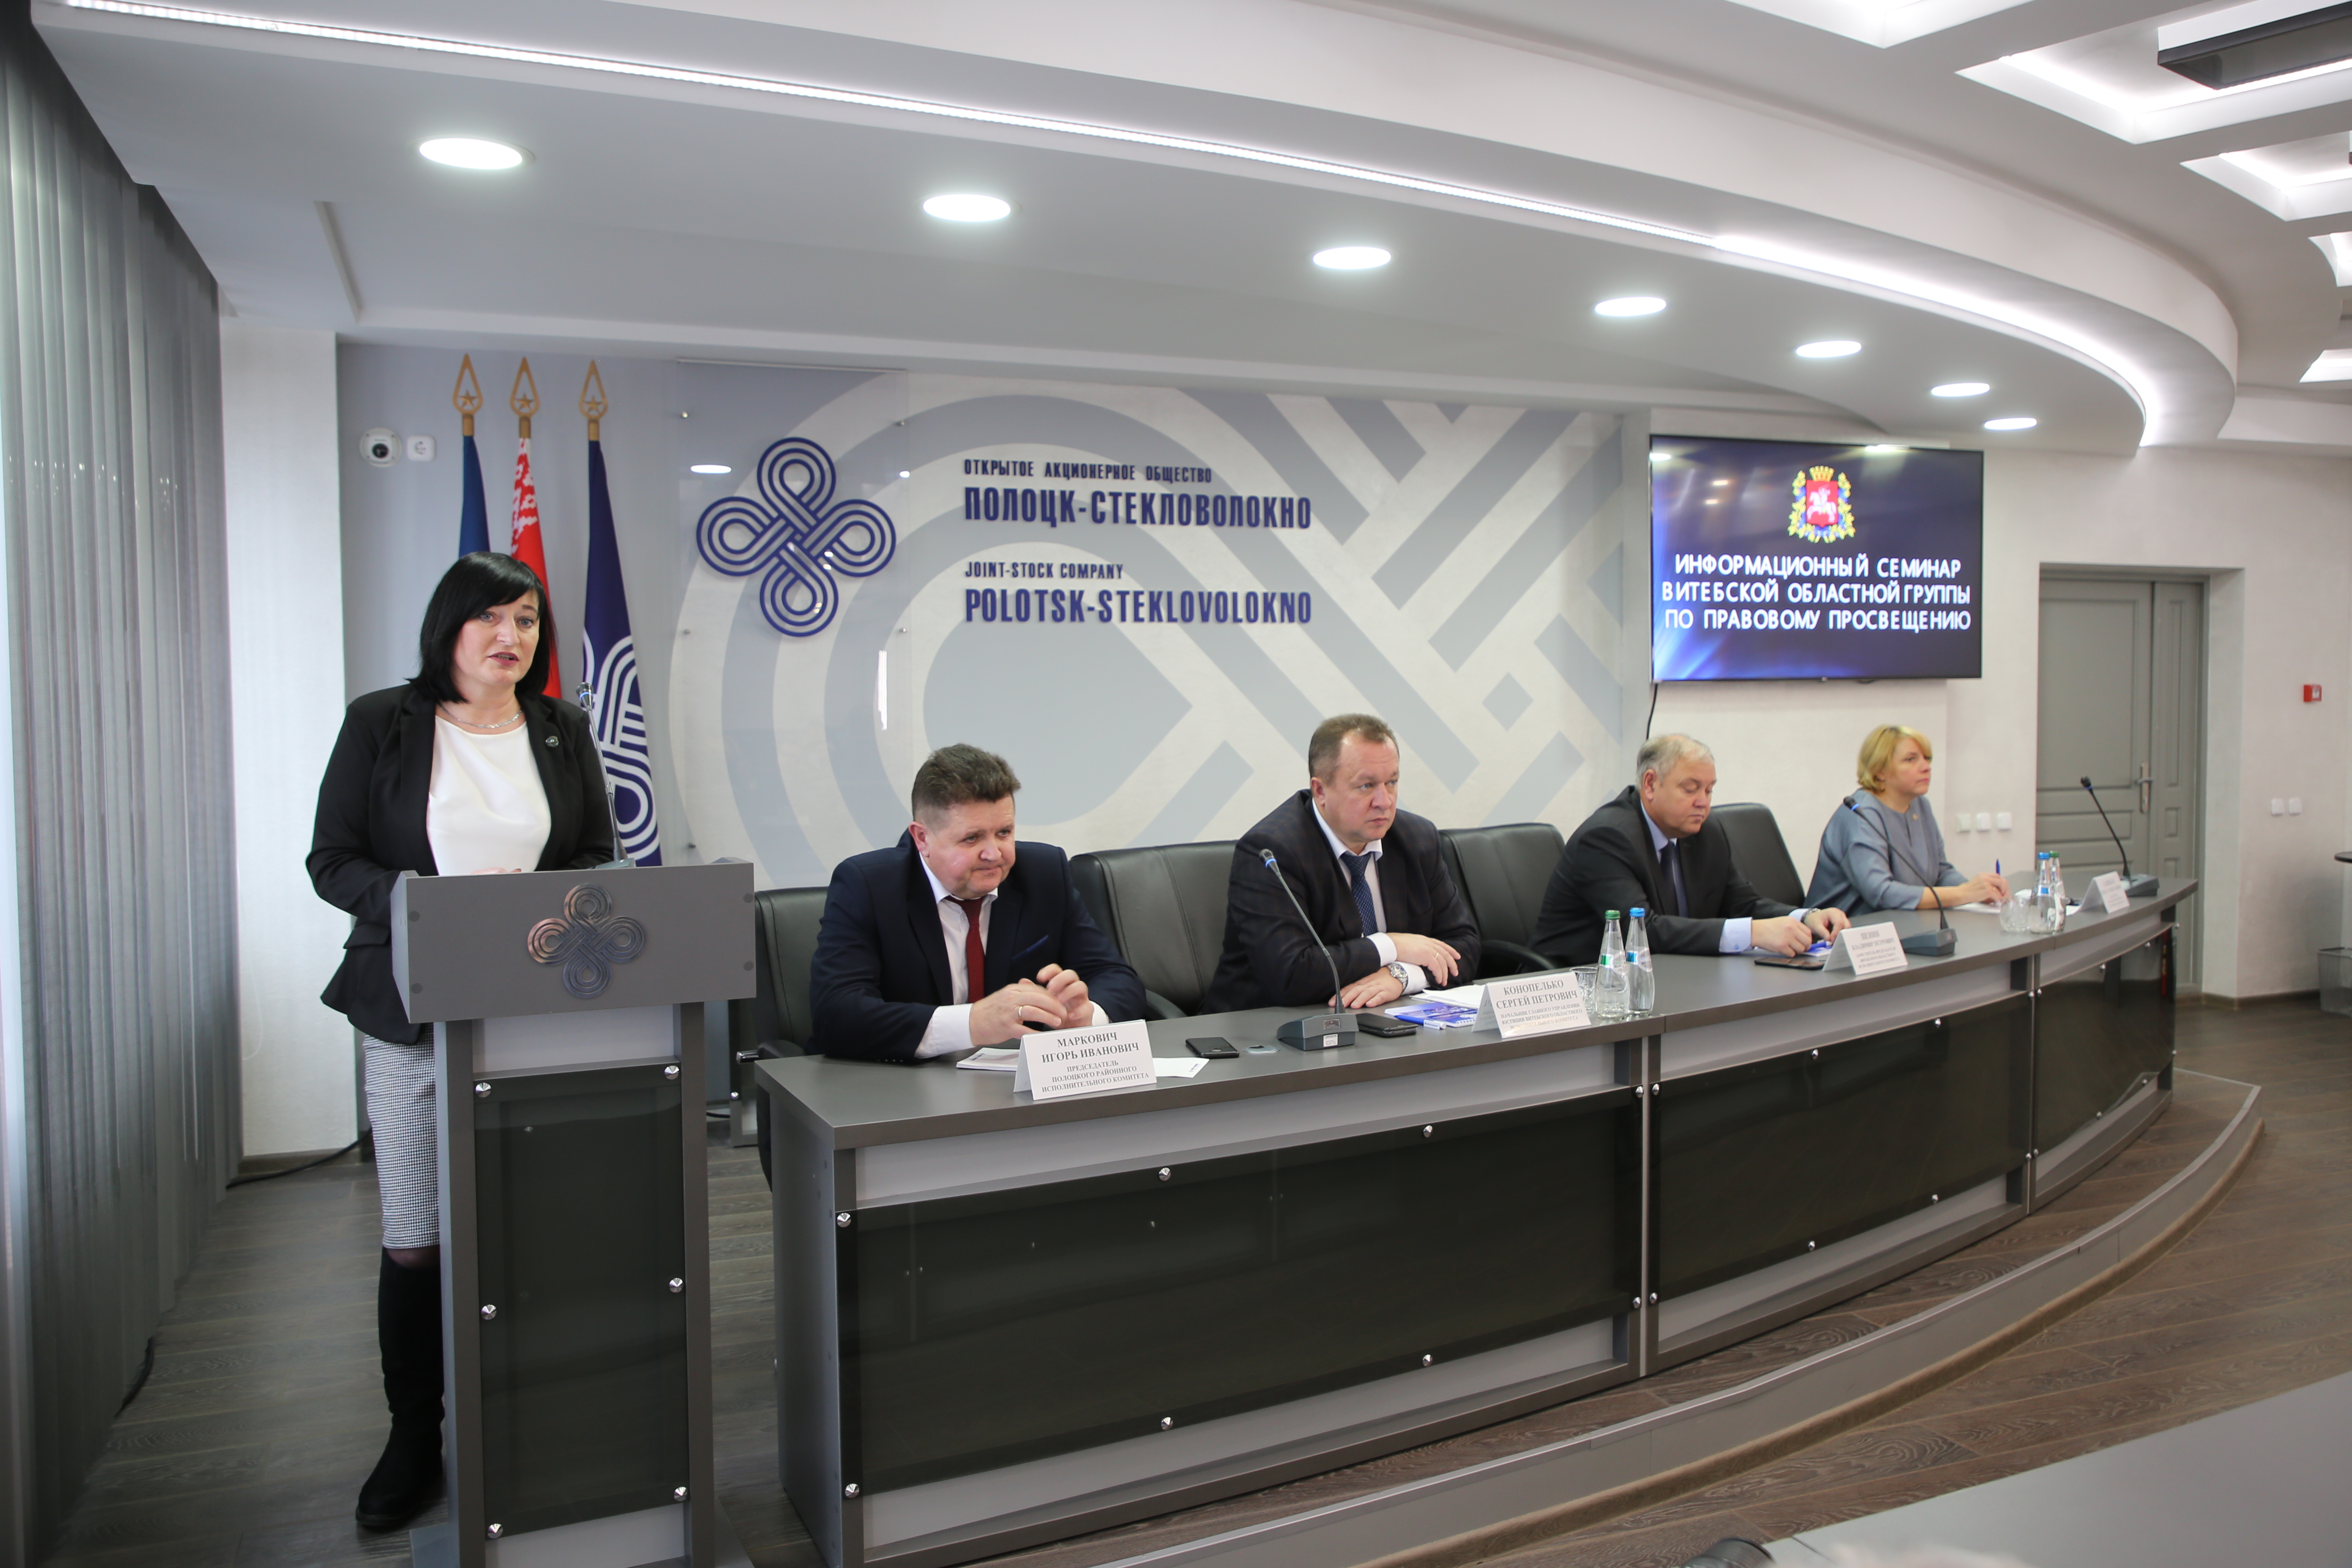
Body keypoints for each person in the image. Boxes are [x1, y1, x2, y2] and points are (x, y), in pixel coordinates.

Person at [306, 552, 615, 1533]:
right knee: (416, 1237)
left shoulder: (562, 729)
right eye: (489, 617)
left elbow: (595, 855)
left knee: (531, 1227)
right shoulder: (382, 722)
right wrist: (431, 905)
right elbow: (333, 860)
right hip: (412, 1008)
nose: (509, 637)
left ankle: (528, 1417)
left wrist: (537, 903)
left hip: (539, 1006)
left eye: (526, 619)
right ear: (448, 626)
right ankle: (415, 1436)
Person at [806, 744, 1147, 1062]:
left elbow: (1116, 977)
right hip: (896, 1084)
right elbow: (838, 1014)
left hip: (1013, 1082)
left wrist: (1086, 1016)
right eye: (972, 838)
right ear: (922, 838)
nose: (994, 854)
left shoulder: (1043, 873)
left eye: (1004, 833)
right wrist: (972, 1023)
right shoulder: (868, 886)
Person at [1200, 714, 1479, 1014]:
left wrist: (1401, 976)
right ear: (1320, 791)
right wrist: (1392, 946)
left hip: (1381, 1019)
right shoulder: (1272, 852)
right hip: (1264, 1027)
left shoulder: (1416, 839)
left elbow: (1465, 946)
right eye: (1366, 786)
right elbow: (1291, 975)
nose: (1384, 801)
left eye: (1392, 782)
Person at [1532, 733, 1850, 965]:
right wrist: (1753, 933)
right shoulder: (1606, 838)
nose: (1703, 802)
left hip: (1675, 976)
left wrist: (1806, 917)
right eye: (1691, 789)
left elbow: (1743, 904)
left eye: (1709, 790)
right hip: (1579, 988)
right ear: (1650, 784)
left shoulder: (1706, 832)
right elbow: (1643, 933)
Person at [1806, 724, 2009, 916]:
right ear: (1880, 771)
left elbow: (1940, 873)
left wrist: (1979, 892)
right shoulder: (1861, 815)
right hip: (1845, 930)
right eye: (1911, 760)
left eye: (1927, 758)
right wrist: (1963, 894)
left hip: (1904, 922)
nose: (1926, 767)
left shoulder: (1920, 805)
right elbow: (1882, 893)